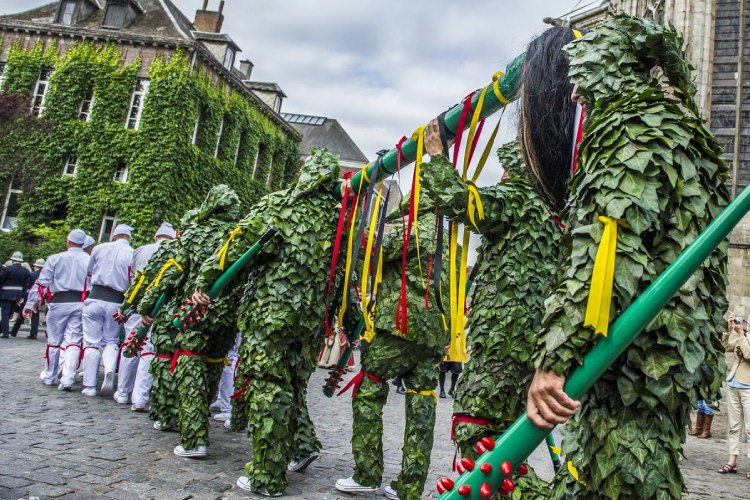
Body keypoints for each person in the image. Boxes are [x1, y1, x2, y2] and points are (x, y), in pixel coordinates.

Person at [523, 16, 729, 498]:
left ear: (608, 69)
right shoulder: (679, 130)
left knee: (619, 475)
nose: (574, 96)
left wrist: (554, 362)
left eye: (582, 78)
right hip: (669, 356)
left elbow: (603, 255)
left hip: (632, 359)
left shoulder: (627, 131)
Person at [193, 149, 352, 497]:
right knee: (292, 386)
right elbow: (344, 276)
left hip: (270, 315)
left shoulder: (282, 205)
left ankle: (267, 475)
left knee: (267, 386)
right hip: (310, 323)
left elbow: (237, 246)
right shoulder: (342, 220)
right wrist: (344, 320)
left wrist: (206, 282)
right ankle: (298, 446)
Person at [421, 143, 560, 497]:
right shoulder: (552, 213)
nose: (502, 177)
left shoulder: (518, 199)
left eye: (507, 169)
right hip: (528, 344)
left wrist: (437, 156)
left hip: (501, 342)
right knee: (501, 437)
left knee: (476, 431)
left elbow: (458, 200)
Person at [336, 196, 451, 500]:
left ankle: (367, 473)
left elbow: (372, 252)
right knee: (422, 403)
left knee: (368, 388)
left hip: (403, 327)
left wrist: (354, 221)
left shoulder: (414, 229)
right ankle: (410, 485)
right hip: (435, 334)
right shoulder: (451, 238)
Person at [113, 222, 176, 408]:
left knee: (130, 345)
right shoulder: (177, 250)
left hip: (137, 303)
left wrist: (126, 306)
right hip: (161, 305)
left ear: (156, 237)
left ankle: (123, 392)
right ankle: (140, 398)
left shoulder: (140, 250)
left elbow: (133, 278)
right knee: (149, 350)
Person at [23, 230, 90, 387]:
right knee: (74, 341)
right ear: (83, 244)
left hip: (58, 303)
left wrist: (29, 304)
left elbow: (41, 284)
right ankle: (68, 378)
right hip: (80, 303)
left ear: (68, 242)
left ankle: (50, 375)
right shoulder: (89, 260)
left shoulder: (55, 258)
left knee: (54, 342)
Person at [80, 224, 134, 397]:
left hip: (95, 296)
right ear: (129, 237)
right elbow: (133, 279)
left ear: (114, 235)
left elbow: (89, 271)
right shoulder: (132, 253)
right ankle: (110, 368)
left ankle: (89, 385)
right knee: (111, 340)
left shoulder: (98, 248)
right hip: (117, 300)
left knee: (91, 343)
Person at [718, 314, 750, 477]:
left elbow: (749, 355)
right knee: (734, 426)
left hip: (748, 386)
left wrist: (742, 334)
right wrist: (729, 329)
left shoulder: (744, 335)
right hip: (733, 383)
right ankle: (732, 461)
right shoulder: (742, 333)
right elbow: (727, 346)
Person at [11, 258, 45, 339]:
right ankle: (34, 333)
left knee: (22, 314)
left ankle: (14, 331)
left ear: (35, 266)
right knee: (35, 315)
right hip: (40, 296)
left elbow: (26, 285)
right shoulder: (45, 275)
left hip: (30, 295)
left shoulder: (32, 274)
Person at [0, 251, 30, 338]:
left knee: (5, 313)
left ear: (13, 260)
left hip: (6, 294)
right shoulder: (26, 271)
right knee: (9, 313)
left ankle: (5, 332)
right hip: (17, 295)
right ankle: (2, 329)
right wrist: (22, 296)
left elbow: (1, 280)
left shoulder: (8, 269)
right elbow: (26, 285)